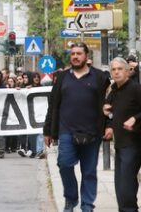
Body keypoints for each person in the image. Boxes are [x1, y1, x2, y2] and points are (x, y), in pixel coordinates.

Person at [43, 43, 110, 212]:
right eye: (73, 53)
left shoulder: (100, 78)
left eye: (79, 53)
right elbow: (53, 105)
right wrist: (48, 130)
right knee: (64, 164)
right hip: (66, 132)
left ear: (86, 56)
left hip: (92, 132)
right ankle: (71, 199)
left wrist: (108, 126)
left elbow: (110, 104)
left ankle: (87, 205)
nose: (75, 56)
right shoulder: (62, 78)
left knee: (89, 172)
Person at [103, 57, 141, 212]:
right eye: (114, 69)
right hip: (120, 143)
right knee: (120, 185)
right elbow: (111, 113)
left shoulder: (136, 88)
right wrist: (109, 126)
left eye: (120, 69)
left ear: (127, 71)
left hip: (134, 143)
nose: (117, 72)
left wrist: (135, 118)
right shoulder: (113, 89)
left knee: (126, 185)